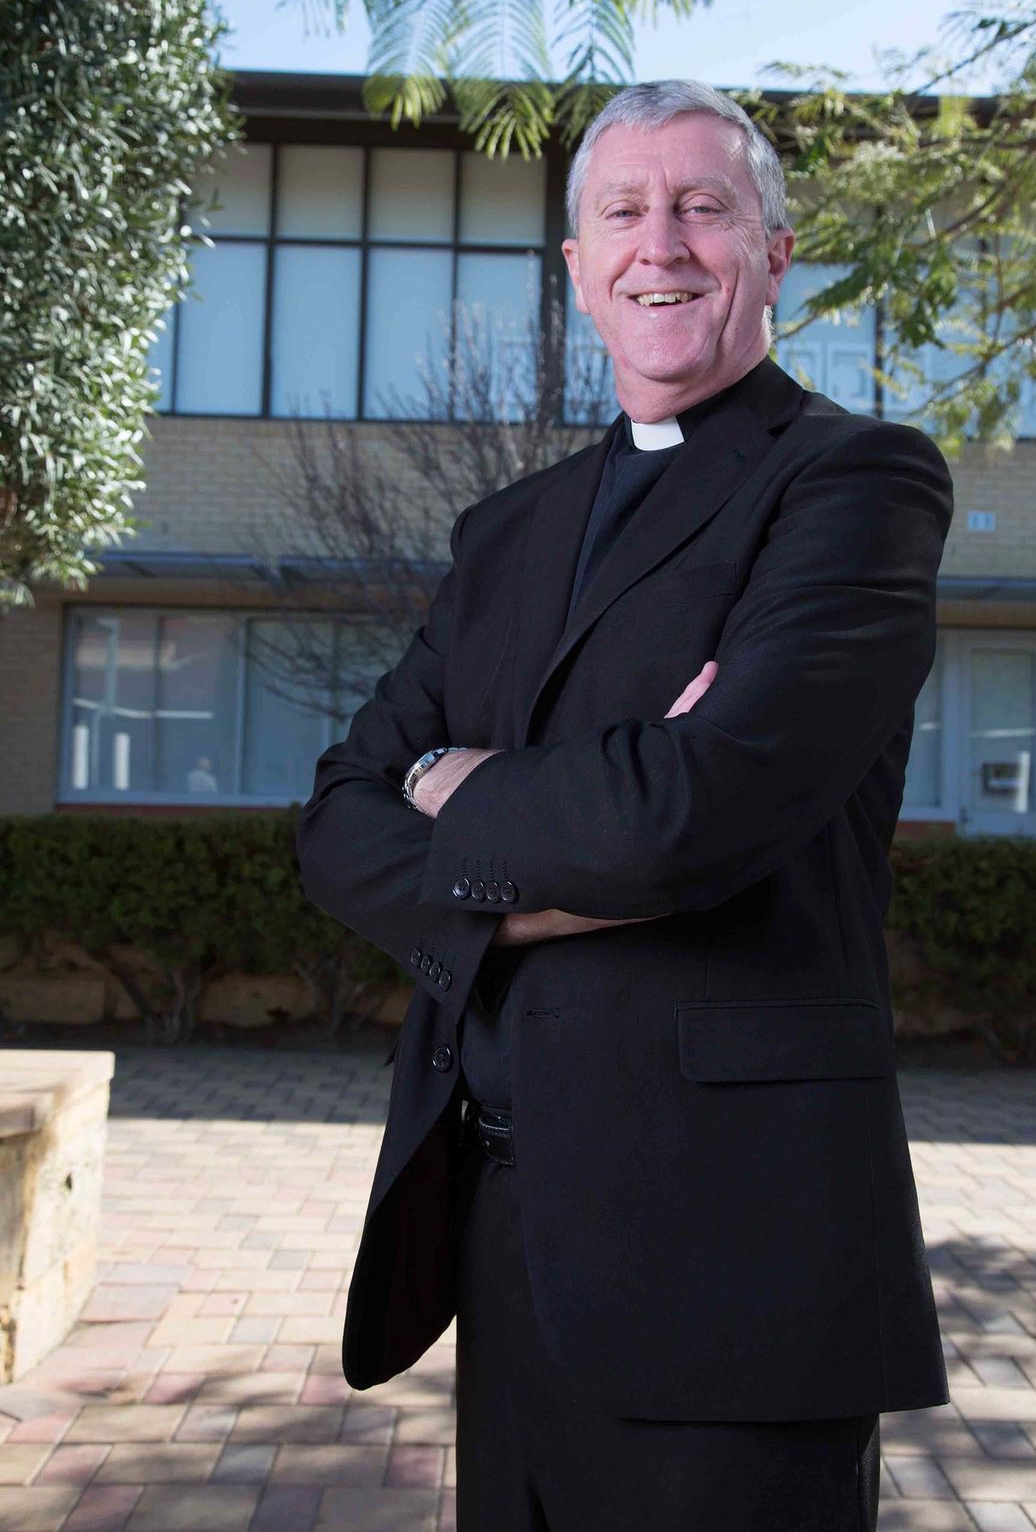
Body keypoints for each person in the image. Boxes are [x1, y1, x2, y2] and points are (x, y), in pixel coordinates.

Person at [295, 79, 954, 1531]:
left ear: (775, 256)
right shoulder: (505, 532)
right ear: (580, 268)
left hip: (738, 1254)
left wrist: (461, 788)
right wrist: (564, 840)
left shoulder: (854, 486)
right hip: (500, 1238)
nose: (663, 243)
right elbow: (339, 820)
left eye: (704, 207)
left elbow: (690, 814)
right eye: (624, 213)